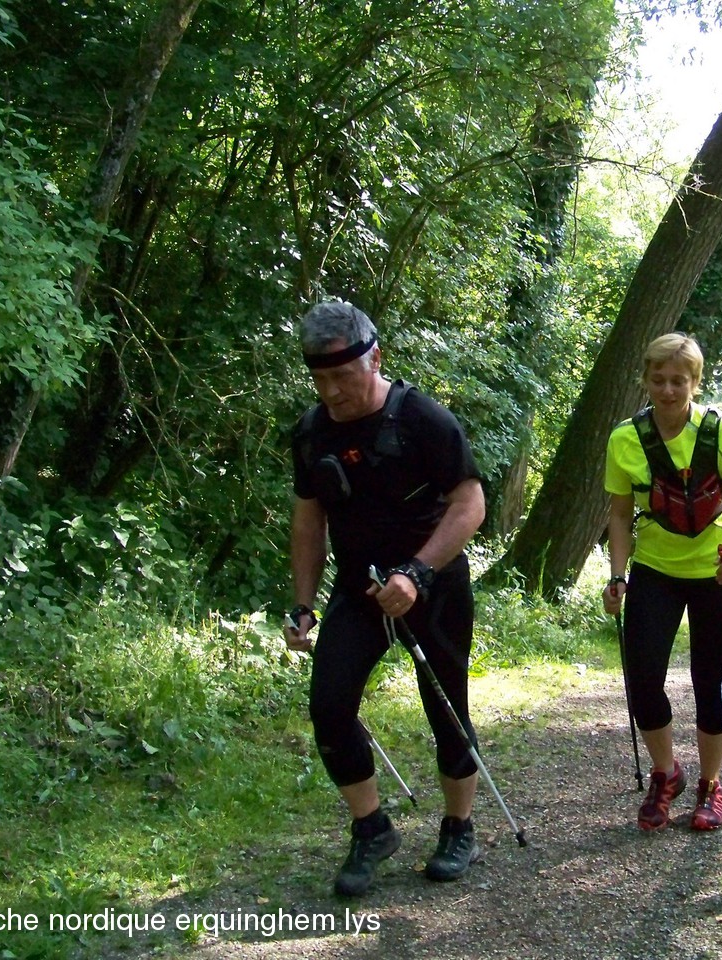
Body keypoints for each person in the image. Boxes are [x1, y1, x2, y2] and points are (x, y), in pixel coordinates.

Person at [283, 300, 486, 896]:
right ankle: (371, 828)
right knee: (329, 706)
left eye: (343, 376)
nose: (332, 391)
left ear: (375, 359)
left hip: (434, 583)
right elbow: (308, 523)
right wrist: (302, 605)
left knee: (446, 707)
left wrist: (417, 572)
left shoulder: (423, 419)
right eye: (320, 379)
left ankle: (459, 828)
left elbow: (470, 504)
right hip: (359, 588)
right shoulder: (311, 431)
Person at [601, 333, 722, 831]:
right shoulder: (625, 439)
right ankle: (665, 773)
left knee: (707, 681)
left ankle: (710, 785)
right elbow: (619, 515)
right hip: (656, 570)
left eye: (679, 381)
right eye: (659, 380)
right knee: (643, 679)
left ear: (695, 382)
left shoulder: (720, 433)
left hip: (719, 570)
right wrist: (617, 575)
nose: (668, 390)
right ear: (646, 381)